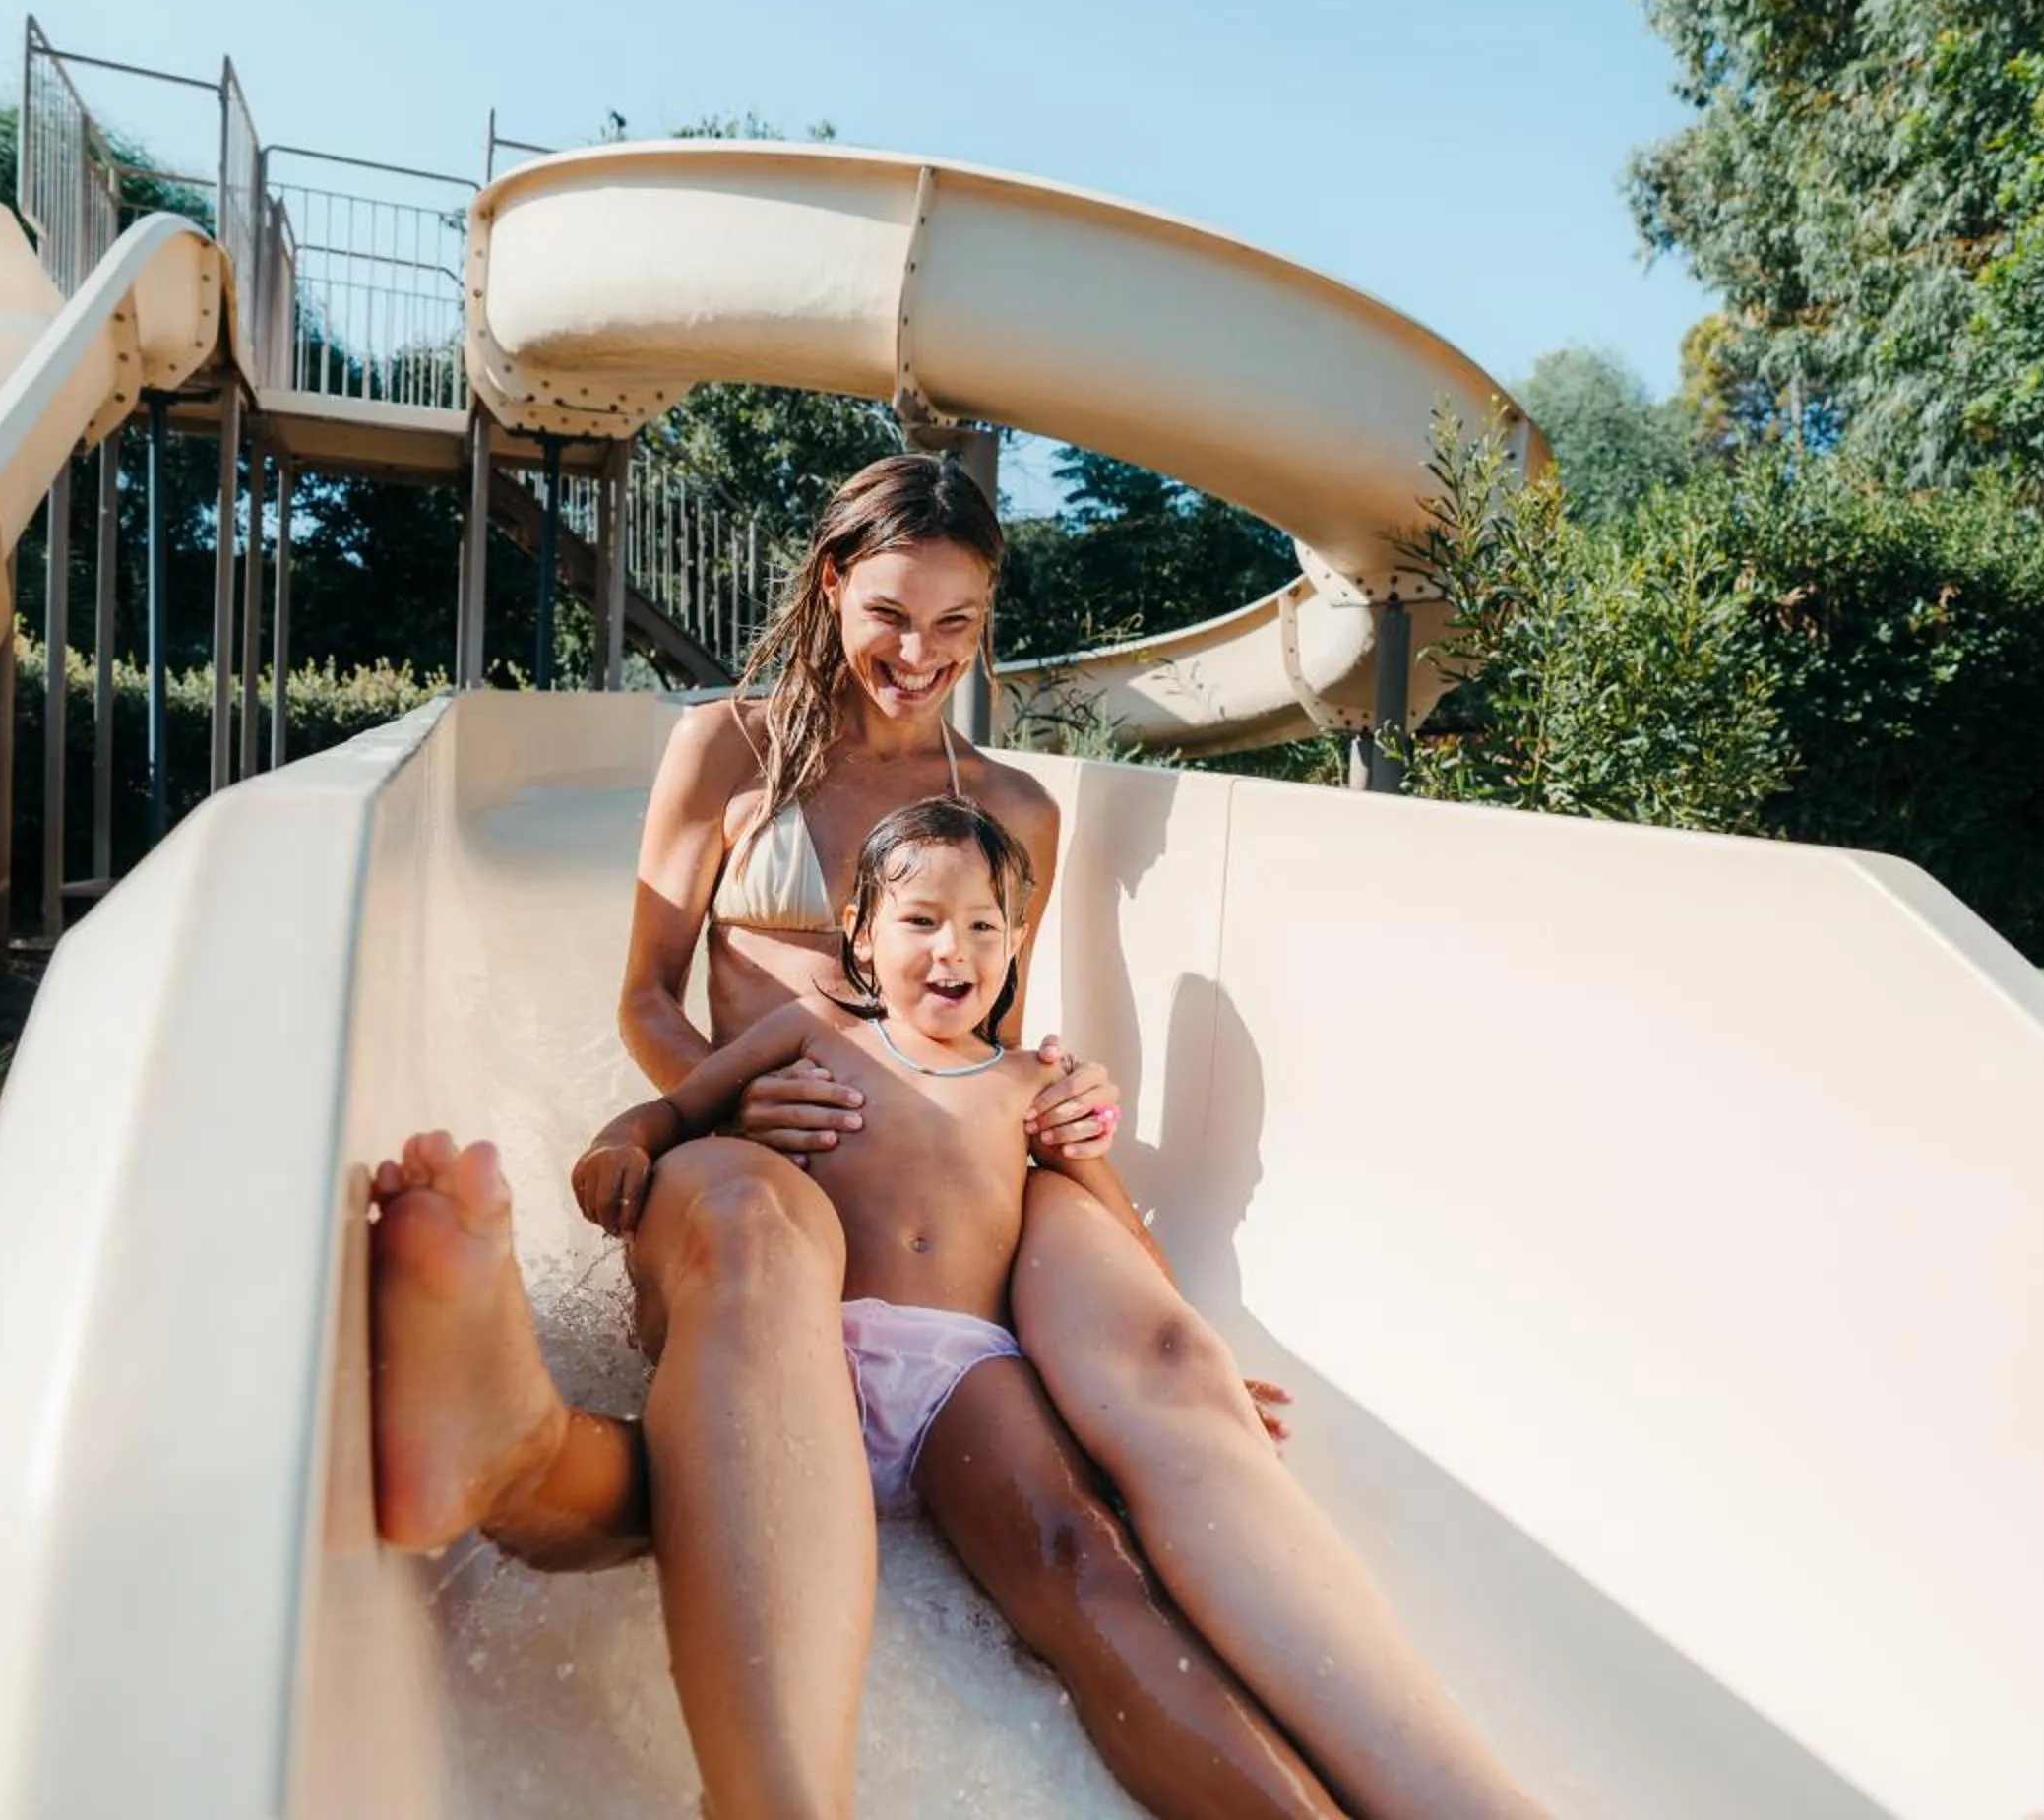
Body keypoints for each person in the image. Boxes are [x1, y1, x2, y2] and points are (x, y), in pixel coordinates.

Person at [604, 451, 1539, 1818]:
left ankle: (1455, 1797)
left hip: (943, 1171)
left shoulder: (1009, 809)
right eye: (889, 615)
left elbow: (993, 1049)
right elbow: (641, 994)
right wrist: (725, 1097)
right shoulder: (727, 750)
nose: (919, 655)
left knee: (1163, 1362)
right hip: (769, 1167)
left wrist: (1071, 1118)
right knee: (773, 1232)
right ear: (831, 587)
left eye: (957, 624)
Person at [570, 795, 1344, 1815]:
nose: (955, 948)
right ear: (859, 933)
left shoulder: (1031, 1081)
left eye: (984, 924)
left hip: (960, 1377)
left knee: (1082, 1559)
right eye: (921, 919)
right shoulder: (807, 1033)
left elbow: (1117, 1234)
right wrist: (616, 1147)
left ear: (1017, 942)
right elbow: (672, 1110)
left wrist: (1198, 1375)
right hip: (811, 1355)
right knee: (704, 1495)